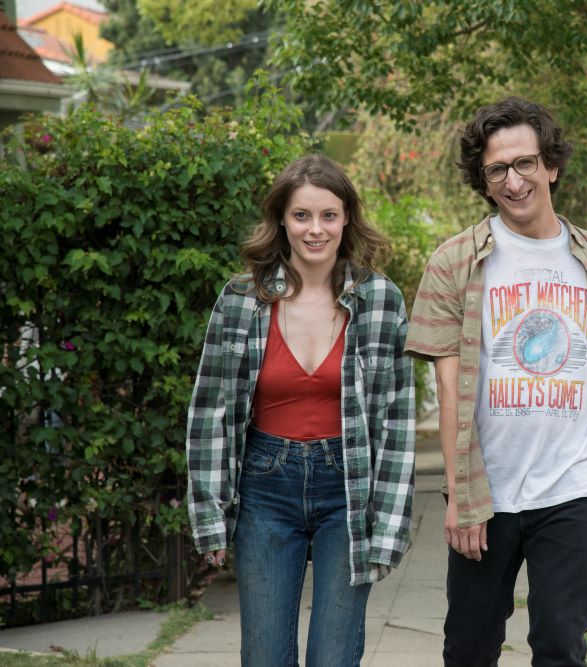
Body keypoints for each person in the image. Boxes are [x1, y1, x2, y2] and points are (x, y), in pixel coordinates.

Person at [404, 97, 587, 666]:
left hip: (572, 483)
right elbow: (447, 384)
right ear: (484, 181)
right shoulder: (454, 261)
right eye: (497, 170)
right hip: (489, 490)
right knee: (469, 648)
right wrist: (461, 496)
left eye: (525, 163)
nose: (514, 181)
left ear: (551, 166)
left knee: (562, 644)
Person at [185, 155, 415, 667]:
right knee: (265, 656)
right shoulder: (242, 300)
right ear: (281, 220)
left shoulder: (381, 300)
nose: (316, 230)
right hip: (266, 489)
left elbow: (396, 420)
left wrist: (390, 526)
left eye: (328, 215)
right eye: (302, 216)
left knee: (335, 656)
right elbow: (211, 412)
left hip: (348, 489)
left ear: (347, 218)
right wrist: (210, 514)